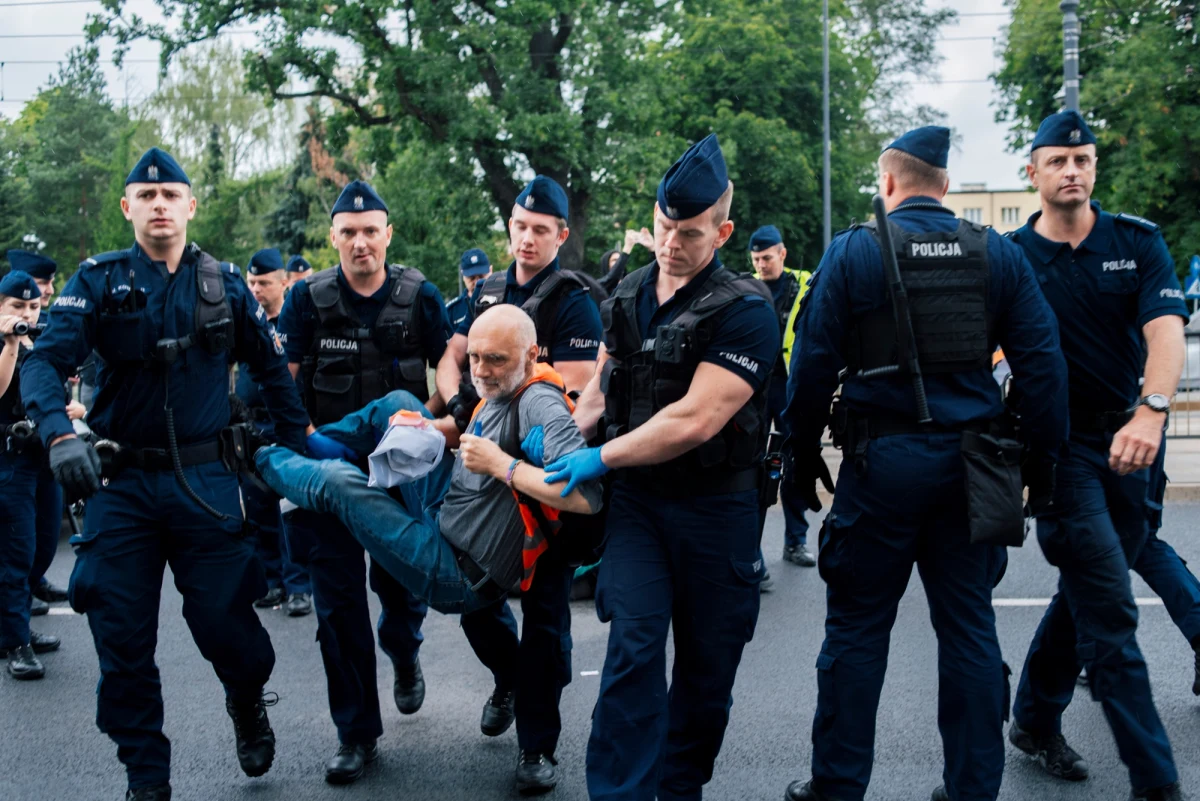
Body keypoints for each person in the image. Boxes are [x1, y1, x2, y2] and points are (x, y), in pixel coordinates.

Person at [781, 126, 1069, 801]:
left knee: (855, 631)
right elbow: (1045, 367)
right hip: (972, 471)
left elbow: (812, 364)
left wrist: (797, 456)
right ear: (944, 187)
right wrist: (1043, 462)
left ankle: (837, 785)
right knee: (969, 625)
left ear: (888, 183)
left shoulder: (855, 250)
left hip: (879, 464)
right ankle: (972, 788)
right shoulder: (995, 253)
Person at [20, 146, 310, 801]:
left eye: (170, 195)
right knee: (120, 634)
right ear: (128, 208)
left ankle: (246, 698)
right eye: (145, 197)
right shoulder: (97, 281)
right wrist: (59, 433)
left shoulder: (225, 283)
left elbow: (270, 371)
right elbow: (41, 364)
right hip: (119, 485)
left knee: (228, 625)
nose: (158, 206)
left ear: (189, 206)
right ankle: (145, 774)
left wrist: (296, 458)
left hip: (207, 482)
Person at [253, 304, 604, 792]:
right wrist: (429, 435)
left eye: (496, 361)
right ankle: (311, 444)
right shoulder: (494, 388)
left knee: (342, 487)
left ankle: (259, 456)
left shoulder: (539, 400)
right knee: (398, 404)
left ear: (531, 354)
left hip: (456, 571)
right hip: (446, 513)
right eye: (475, 358)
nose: (480, 371)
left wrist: (504, 465)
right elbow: (460, 412)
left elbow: (586, 497)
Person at [548, 134, 780, 801]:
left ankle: (678, 789)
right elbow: (599, 388)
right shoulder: (625, 294)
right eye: (662, 226)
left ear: (724, 230)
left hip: (718, 510)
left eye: (689, 233)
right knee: (633, 654)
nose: (671, 244)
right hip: (641, 510)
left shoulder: (745, 310)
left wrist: (599, 454)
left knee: (706, 679)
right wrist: (565, 439)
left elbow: (694, 420)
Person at [1007, 110, 1188, 801]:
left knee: (1083, 591)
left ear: (1093, 169)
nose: (1072, 171)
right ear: (1034, 173)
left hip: (1136, 443)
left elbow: (1166, 334)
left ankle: (1032, 719)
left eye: (1081, 160)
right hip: (1061, 453)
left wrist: (1152, 410)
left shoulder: (1137, 242)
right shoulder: (1012, 254)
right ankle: (1157, 781)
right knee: (1111, 612)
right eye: (1057, 161)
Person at [276, 179, 453, 786]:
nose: (360, 243)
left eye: (370, 231)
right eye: (347, 233)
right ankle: (356, 734)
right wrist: (303, 440)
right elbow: (284, 379)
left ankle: (403, 651)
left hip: (399, 468)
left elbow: (449, 359)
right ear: (333, 238)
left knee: (402, 590)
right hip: (330, 469)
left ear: (387, 234)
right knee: (337, 604)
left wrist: (427, 417)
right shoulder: (306, 299)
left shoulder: (419, 294)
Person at [434, 175, 603, 794]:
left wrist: (513, 443)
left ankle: (537, 746)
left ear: (560, 234)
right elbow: (455, 353)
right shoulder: (492, 289)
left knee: (547, 622)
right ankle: (510, 680)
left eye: (541, 230)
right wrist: (461, 403)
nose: (527, 239)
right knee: (476, 605)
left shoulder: (572, 298)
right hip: (483, 484)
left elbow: (579, 399)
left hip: (541, 487)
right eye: (519, 227)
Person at [236, 248, 312, 617]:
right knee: (258, 510)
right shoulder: (245, 321)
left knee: (290, 511)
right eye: (251, 283)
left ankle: (299, 586)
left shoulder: (292, 322)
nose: (255, 289)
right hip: (252, 427)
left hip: (284, 425)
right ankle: (272, 582)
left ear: (283, 283)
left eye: (263, 283)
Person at [0, 271, 64, 679]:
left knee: (42, 549)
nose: (26, 313)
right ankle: (15, 643)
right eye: (16, 307)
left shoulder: (43, 338)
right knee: (16, 552)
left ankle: (18, 623)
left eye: (32, 306)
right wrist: (10, 342)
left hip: (42, 457)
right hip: (9, 459)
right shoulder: (7, 342)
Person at [5, 249, 71, 608]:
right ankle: (15, 628)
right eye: (40, 284)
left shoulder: (45, 325)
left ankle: (31, 586)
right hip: (13, 453)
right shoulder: (9, 334)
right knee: (17, 544)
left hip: (43, 446)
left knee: (42, 536)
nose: (44, 293)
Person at [749, 224, 816, 567]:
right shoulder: (745, 286)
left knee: (793, 466)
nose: (761, 264)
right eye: (756, 258)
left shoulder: (805, 282)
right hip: (754, 390)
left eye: (767, 257)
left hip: (791, 388)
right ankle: (751, 554)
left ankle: (796, 542)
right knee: (751, 469)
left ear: (782, 253)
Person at [445, 247, 492, 332]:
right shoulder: (452, 311)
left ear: (490, 270)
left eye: (481, 276)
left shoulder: (504, 300)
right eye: (472, 278)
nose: (477, 282)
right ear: (463, 276)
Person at [597, 227, 654, 296]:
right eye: (614, 260)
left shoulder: (631, 283)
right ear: (606, 264)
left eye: (620, 259)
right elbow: (612, 278)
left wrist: (652, 249)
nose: (619, 262)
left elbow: (652, 274)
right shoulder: (599, 287)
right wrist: (627, 247)